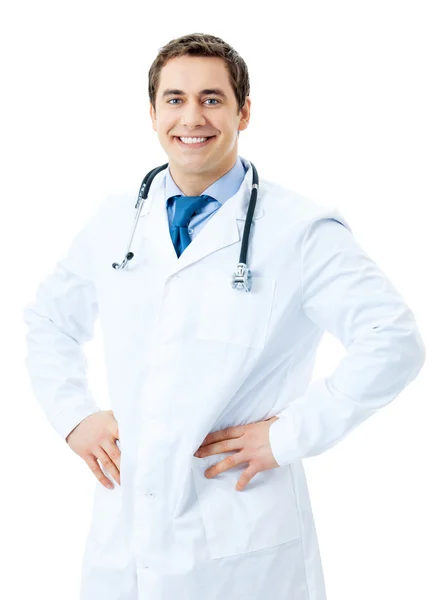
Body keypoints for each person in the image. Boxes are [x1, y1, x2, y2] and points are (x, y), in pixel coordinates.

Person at [22, 32, 426, 600]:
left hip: (243, 537)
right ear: (153, 112)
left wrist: (289, 436)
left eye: (212, 99)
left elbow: (394, 340)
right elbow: (48, 321)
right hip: (127, 537)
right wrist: (72, 415)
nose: (193, 116)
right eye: (175, 99)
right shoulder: (117, 221)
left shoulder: (301, 230)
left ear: (245, 111)